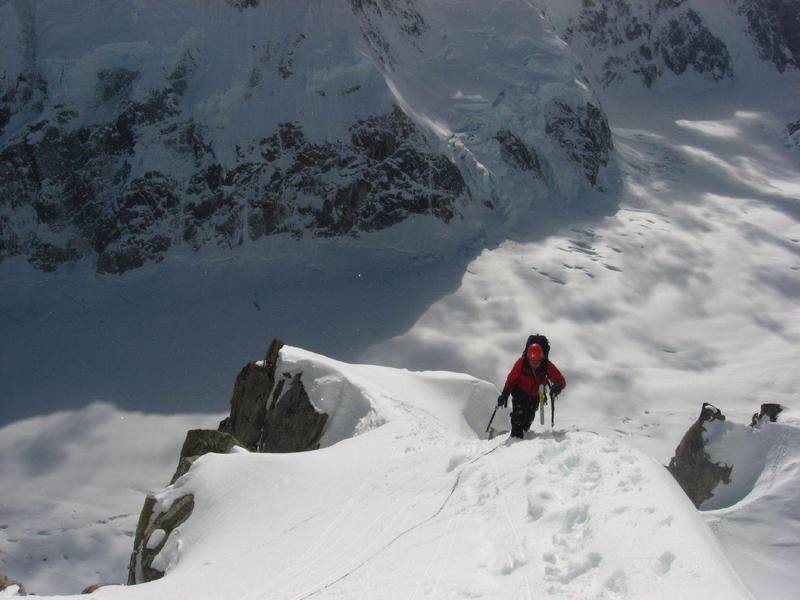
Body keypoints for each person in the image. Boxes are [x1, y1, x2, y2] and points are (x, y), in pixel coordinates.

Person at [497, 343, 566, 438]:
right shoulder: (521, 363)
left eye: (537, 362)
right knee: (518, 418)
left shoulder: (546, 365)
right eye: (532, 362)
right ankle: (515, 441)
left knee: (528, 420)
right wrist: (505, 394)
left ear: (541, 359)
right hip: (520, 391)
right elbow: (511, 379)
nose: (534, 364)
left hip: (535, 394)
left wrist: (557, 387)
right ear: (528, 358)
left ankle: (525, 441)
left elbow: (561, 380)